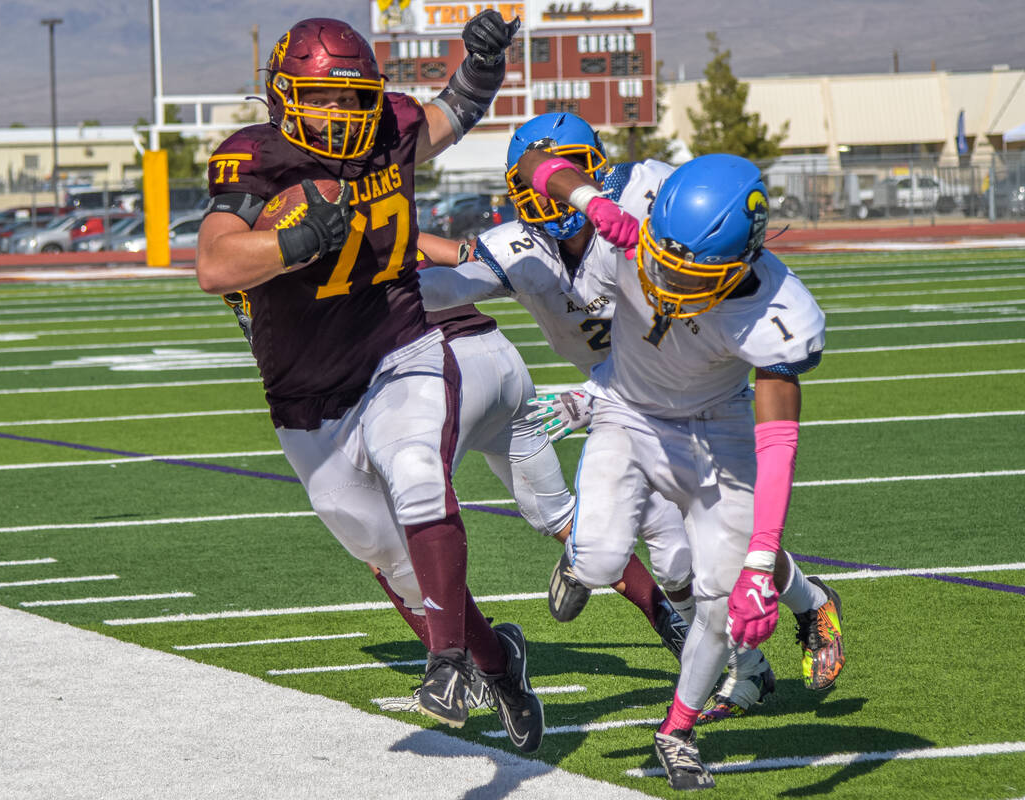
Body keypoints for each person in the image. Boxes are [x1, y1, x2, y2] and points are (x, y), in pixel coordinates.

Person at [195, 15, 545, 753]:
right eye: (322, 97)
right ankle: (497, 660)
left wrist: (481, 65)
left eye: (353, 98)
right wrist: (293, 241)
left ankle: (445, 662)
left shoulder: (388, 125)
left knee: (418, 472)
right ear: (284, 97)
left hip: (397, 344)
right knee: (385, 553)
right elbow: (215, 266)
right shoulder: (254, 158)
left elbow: (451, 115)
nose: (340, 113)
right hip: (304, 392)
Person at [418, 113, 775, 720]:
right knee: (668, 548)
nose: (552, 193)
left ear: (599, 169)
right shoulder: (520, 249)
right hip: (623, 400)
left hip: (694, 389)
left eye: (571, 172)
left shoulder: (646, 204)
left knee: (702, 541)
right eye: (541, 182)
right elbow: (446, 280)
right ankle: (738, 662)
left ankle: (768, 640)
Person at [512, 147, 844, 788]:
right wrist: (590, 201)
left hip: (716, 427)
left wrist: (759, 561)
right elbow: (532, 161)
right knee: (605, 563)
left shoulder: (777, 311)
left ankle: (678, 730)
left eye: (693, 276)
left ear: (740, 261)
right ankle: (583, 561)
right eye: (663, 261)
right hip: (626, 410)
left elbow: (778, 446)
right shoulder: (636, 194)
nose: (669, 283)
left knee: (725, 601)